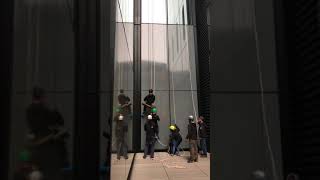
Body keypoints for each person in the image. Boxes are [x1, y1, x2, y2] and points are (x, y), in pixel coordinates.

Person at [26, 87, 64, 180]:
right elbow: (59, 121)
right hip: (47, 145)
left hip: (35, 144)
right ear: (43, 97)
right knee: (51, 173)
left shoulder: (29, 110)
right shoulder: (45, 110)